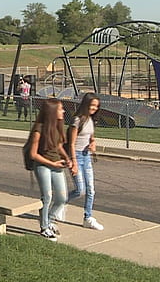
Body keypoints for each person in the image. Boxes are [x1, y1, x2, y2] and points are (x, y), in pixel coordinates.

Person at [28, 98, 76, 241]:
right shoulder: (39, 129)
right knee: (47, 196)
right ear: (52, 111)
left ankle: (49, 219)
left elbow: (59, 145)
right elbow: (33, 154)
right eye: (61, 109)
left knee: (62, 198)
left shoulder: (58, 126)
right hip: (43, 166)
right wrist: (51, 163)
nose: (63, 111)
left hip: (56, 165)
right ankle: (44, 227)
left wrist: (67, 159)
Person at [68, 93, 104, 231]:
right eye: (92, 105)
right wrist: (74, 163)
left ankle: (88, 217)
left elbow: (91, 137)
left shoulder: (91, 120)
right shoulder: (77, 120)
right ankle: (58, 203)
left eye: (96, 106)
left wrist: (93, 144)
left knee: (91, 190)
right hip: (76, 156)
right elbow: (71, 144)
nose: (94, 108)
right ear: (86, 104)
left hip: (86, 156)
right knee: (80, 190)